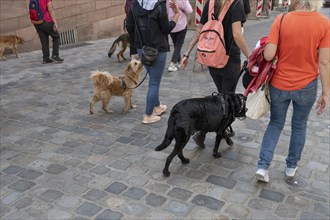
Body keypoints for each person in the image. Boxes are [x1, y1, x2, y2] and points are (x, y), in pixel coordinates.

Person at [255, 0, 329, 183]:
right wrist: (326, 93)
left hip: (279, 83)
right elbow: (324, 61)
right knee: (299, 125)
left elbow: (269, 55)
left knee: (275, 123)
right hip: (307, 85)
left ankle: (263, 166)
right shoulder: (324, 23)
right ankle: (291, 167)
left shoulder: (281, 19)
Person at [180, 0, 250, 146]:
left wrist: (187, 53)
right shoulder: (236, 4)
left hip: (212, 57)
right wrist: (251, 56)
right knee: (225, 102)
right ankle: (203, 132)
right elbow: (237, 34)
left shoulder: (211, 3)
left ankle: (220, 130)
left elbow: (199, 30)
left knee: (222, 99)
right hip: (229, 60)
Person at [126, 0, 180, 124]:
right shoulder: (159, 5)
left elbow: (129, 27)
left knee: (153, 79)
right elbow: (166, 29)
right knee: (154, 83)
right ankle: (148, 115)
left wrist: (133, 50)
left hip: (142, 48)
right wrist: (176, 15)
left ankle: (157, 106)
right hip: (157, 50)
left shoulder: (135, 4)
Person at [166, 0, 193, 72]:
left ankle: (178, 62)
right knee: (178, 45)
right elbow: (189, 10)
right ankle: (172, 63)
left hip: (171, 23)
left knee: (176, 44)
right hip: (181, 24)